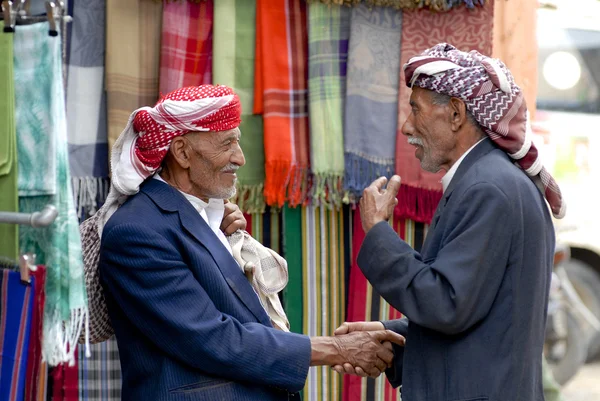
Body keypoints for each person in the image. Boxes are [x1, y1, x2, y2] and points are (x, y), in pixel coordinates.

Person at [94, 85, 403, 401]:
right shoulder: (137, 232)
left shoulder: (206, 215)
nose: (240, 158)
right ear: (182, 152)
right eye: (227, 144)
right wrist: (335, 349)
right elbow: (210, 337)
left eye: (237, 141)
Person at [333, 43, 565, 401]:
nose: (406, 126)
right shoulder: (488, 180)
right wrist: (392, 338)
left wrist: (379, 231)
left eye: (416, 110)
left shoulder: (487, 187)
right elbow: (483, 321)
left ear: (456, 114)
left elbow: (447, 304)